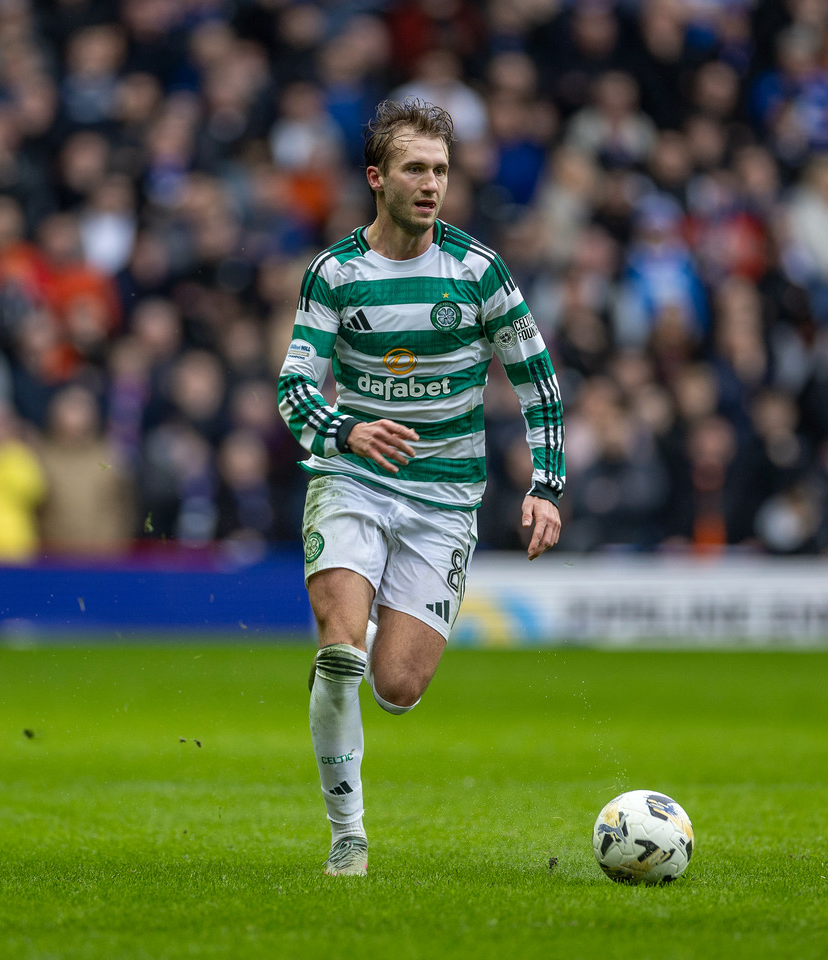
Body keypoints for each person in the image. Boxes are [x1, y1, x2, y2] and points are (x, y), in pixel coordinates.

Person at [276, 99, 565, 877]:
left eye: (439, 169)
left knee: (397, 687)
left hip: (444, 499)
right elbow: (293, 386)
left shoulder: (478, 270)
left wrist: (546, 486)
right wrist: (346, 430)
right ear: (377, 178)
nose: (431, 182)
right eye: (414, 168)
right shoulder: (335, 274)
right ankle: (348, 835)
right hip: (353, 479)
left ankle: (363, 636)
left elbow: (537, 381)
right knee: (340, 650)